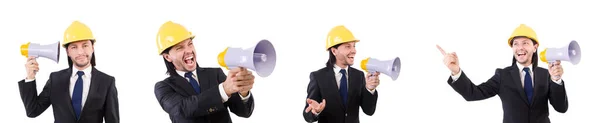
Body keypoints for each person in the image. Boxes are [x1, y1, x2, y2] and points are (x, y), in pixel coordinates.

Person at [437, 24, 568, 123]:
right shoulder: (503, 76)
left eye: (525, 43)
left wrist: (556, 79)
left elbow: (561, 108)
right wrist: (456, 71)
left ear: (535, 47)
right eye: (515, 44)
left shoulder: (546, 75)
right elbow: (473, 94)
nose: (520, 47)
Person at [154, 21, 255, 123]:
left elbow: (243, 112)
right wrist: (223, 90)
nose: (189, 50)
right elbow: (182, 109)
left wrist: (243, 92)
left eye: (190, 44)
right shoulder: (163, 87)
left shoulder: (215, 74)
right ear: (168, 57)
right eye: (180, 48)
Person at [18, 21, 120, 123]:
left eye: (85, 45)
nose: (80, 52)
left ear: (92, 48)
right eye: (74, 47)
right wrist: (30, 77)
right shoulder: (55, 79)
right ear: (68, 52)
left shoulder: (107, 82)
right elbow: (33, 111)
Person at [303, 25, 380, 123]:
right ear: (334, 51)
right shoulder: (318, 77)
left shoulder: (359, 76)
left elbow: (369, 111)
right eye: (348, 46)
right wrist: (315, 111)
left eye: (354, 46)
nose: (354, 51)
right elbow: (307, 115)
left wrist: (370, 89)